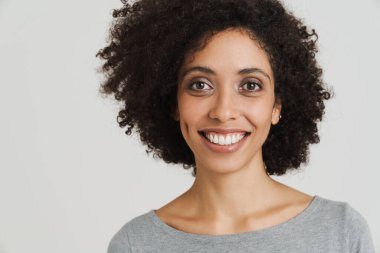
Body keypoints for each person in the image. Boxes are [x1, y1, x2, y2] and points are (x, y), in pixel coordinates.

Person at [96, 0, 376, 252]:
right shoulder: (136, 245)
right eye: (200, 85)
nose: (223, 111)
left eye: (250, 85)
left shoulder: (340, 233)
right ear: (174, 104)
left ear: (276, 105)